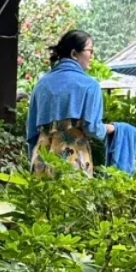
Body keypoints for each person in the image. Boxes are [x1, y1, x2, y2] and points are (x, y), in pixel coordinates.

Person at [26, 28, 115, 174]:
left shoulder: (41, 84)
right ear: (74, 54)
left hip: (42, 156)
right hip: (74, 158)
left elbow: (31, 131)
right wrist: (110, 128)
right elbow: (93, 129)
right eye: (90, 51)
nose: (92, 56)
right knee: (74, 196)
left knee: (41, 196)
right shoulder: (90, 85)